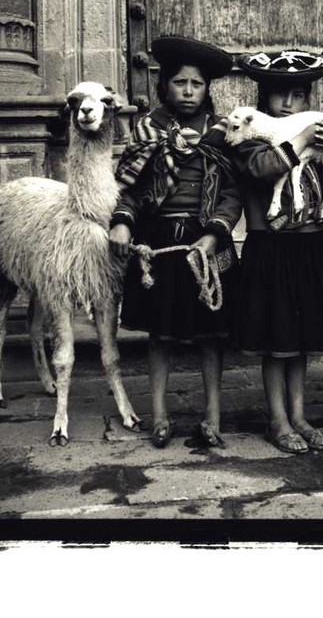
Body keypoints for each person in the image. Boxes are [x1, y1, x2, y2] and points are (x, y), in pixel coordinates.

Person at [108, 36, 242, 449]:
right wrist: (124, 223)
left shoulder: (222, 135)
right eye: (180, 83)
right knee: (160, 334)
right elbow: (129, 186)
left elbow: (232, 193)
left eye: (196, 84)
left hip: (207, 240)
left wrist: (213, 233)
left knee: (210, 335)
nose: (188, 91)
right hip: (160, 240)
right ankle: (161, 415)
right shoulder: (147, 131)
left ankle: (213, 417)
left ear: (207, 89)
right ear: (165, 85)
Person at [228, 49, 323, 454]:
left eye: (298, 95)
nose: (288, 104)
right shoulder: (249, 136)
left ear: (307, 100)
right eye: (279, 94)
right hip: (271, 247)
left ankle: (299, 415)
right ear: (263, 98)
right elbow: (264, 168)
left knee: (299, 339)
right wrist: (302, 138)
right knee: (276, 339)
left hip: (307, 244)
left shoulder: (317, 134)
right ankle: (277, 419)